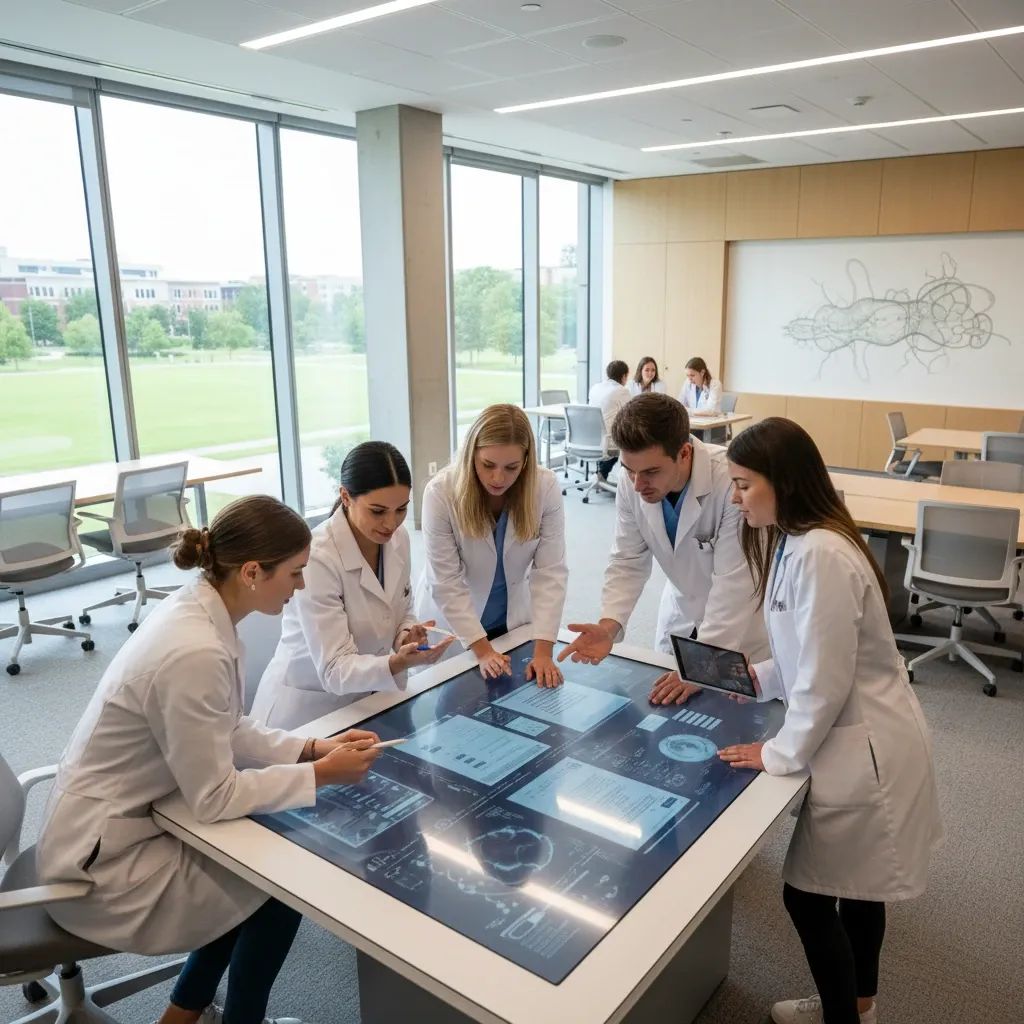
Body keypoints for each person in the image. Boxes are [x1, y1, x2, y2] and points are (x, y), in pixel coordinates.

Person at [35, 496, 383, 1024]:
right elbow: (214, 796)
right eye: (294, 573)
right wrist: (317, 776)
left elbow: (227, 723)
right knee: (280, 882)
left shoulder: (201, 608)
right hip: (99, 870)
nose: (301, 586)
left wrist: (310, 748)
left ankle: (182, 1012)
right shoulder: (193, 649)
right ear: (251, 572)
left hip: (129, 819)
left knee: (248, 870)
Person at [717, 418, 943, 1024]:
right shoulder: (800, 537)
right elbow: (806, 652)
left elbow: (824, 681)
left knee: (808, 897)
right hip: (864, 737)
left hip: (870, 750)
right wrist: (758, 680)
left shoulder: (820, 552)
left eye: (743, 485)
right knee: (861, 889)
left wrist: (775, 753)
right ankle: (859, 1006)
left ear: (782, 483)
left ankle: (847, 1017)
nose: (735, 498)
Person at [558, 393, 767, 706]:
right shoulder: (633, 481)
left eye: (651, 472)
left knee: (734, 721)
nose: (637, 484)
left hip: (741, 626)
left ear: (684, 453)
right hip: (682, 612)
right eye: (629, 470)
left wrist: (701, 668)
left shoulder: (729, 482)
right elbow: (627, 559)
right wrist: (609, 624)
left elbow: (735, 586)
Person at [251, 442, 451, 731]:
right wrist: (397, 663)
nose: (391, 523)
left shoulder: (399, 540)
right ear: (345, 496)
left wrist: (406, 636)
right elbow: (335, 670)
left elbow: (401, 607)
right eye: (378, 511)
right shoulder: (318, 557)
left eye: (401, 509)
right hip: (311, 714)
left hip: (372, 700)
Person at [415, 404, 567, 686]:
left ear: (526, 460)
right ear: (471, 453)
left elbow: (550, 572)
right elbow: (446, 581)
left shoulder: (544, 487)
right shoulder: (440, 493)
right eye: (488, 465)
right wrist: (482, 650)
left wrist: (544, 650)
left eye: (511, 468)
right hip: (455, 622)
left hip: (511, 617)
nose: (499, 478)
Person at [588, 358, 630, 481]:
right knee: (629, 440)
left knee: (610, 434)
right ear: (624, 376)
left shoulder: (595, 387)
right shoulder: (621, 390)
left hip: (589, 439)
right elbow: (631, 413)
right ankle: (625, 481)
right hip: (606, 441)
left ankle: (600, 474)